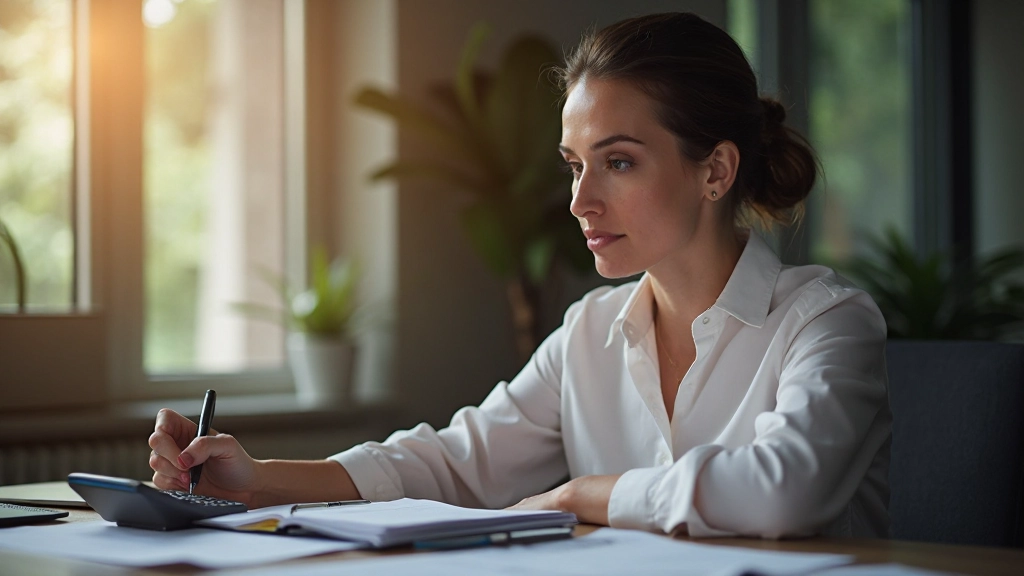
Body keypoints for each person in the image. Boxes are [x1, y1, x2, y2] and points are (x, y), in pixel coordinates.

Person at [148, 12, 891, 539]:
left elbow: (783, 492)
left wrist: (583, 495)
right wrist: (257, 477)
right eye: (574, 165)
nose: (580, 200)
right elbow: (453, 462)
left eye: (619, 161)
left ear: (716, 171)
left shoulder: (826, 322)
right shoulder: (590, 333)